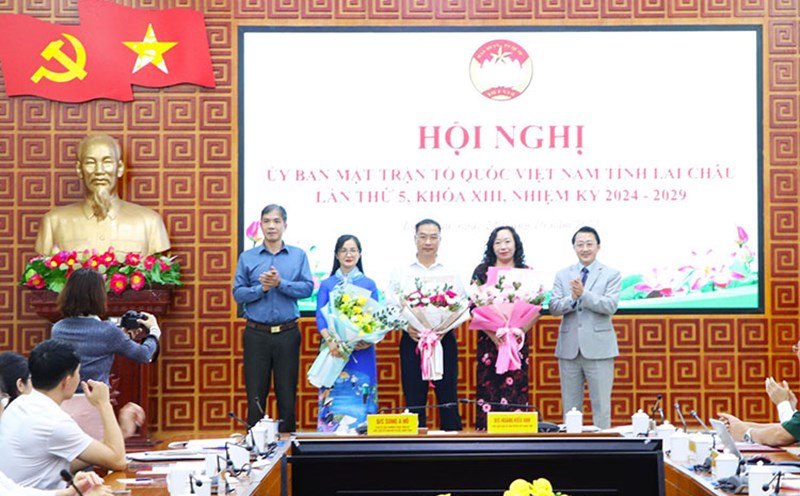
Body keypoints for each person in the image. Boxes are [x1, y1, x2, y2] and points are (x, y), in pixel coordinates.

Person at [0, 339, 127, 489]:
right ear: (67, 381)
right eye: (78, 372)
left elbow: (50, 465)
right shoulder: (54, 422)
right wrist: (104, 404)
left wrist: (120, 435)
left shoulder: (19, 405)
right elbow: (118, 461)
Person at [51, 268, 158, 439]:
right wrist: (154, 332)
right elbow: (144, 354)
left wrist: (121, 336)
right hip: (95, 403)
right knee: (101, 451)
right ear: (99, 296)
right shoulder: (107, 330)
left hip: (63, 405)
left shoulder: (58, 329)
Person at [233, 204, 314, 429]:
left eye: (276, 221)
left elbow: (307, 288)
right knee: (256, 394)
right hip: (256, 334)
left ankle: (288, 444)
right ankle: (255, 444)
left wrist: (280, 284)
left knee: (287, 393)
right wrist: (262, 289)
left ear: (284, 225)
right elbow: (238, 293)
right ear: (261, 225)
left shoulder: (298, 255)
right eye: (267, 221)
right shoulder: (247, 257)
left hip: (287, 334)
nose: (271, 226)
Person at [388, 219, 468, 431]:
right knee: (414, 397)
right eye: (423, 237)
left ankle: (454, 443)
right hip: (413, 341)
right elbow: (391, 305)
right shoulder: (401, 271)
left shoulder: (451, 271)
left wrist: (443, 328)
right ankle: (413, 445)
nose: (428, 242)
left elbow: (462, 304)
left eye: (433, 237)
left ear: (440, 240)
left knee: (448, 396)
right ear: (415, 239)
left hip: (443, 340)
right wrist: (407, 327)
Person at [34, 133, 170, 256]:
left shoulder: (149, 222)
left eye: (107, 162)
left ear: (119, 168)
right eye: (90, 163)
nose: (99, 171)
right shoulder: (54, 222)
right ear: (79, 169)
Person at [549, 226, 621, 429]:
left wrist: (583, 294)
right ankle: (571, 445)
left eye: (589, 244)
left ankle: (603, 446)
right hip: (569, 349)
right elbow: (554, 308)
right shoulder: (562, 275)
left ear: (598, 246)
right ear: (574, 248)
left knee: (601, 407)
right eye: (580, 244)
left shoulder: (612, 274)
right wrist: (572, 298)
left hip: (599, 349)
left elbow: (610, 306)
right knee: (570, 408)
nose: (585, 248)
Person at [470, 226, 534, 430]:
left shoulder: (526, 272)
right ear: (491, 246)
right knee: (489, 387)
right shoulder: (482, 271)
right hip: (490, 343)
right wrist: (493, 334)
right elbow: (474, 306)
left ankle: (517, 436)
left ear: (516, 244)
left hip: (517, 342)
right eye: (498, 242)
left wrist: (519, 331)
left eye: (507, 241)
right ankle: (485, 435)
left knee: (515, 387)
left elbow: (536, 307)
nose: (503, 246)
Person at [0, 381, 112, 496]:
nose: (2, 408)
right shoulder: (51, 421)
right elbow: (115, 458)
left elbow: (13, 490)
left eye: (2, 399)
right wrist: (104, 403)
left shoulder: (23, 406)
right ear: (68, 380)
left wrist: (69, 492)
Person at [315, 235, 379, 432]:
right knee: (332, 397)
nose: (348, 254)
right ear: (336, 255)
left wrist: (367, 340)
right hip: (333, 350)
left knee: (363, 394)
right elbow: (320, 316)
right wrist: (330, 340)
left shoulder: (369, 284)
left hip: (362, 351)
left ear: (359, 254)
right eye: (343, 250)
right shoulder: (327, 284)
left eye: (353, 250)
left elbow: (377, 318)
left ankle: (363, 438)